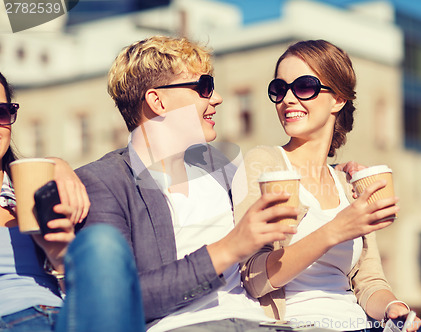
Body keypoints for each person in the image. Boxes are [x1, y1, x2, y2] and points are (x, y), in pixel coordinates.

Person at [75, 35, 300, 332]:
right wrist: (229, 248)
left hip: (264, 323)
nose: (216, 98)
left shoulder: (226, 167)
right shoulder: (105, 181)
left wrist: (340, 173)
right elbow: (121, 298)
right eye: (204, 87)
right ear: (158, 101)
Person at [231, 40, 421, 332]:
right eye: (279, 89)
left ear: (338, 99)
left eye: (304, 86)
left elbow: (368, 280)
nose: (288, 100)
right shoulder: (263, 164)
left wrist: (392, 308)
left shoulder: (347, 183)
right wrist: (333, 231)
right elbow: (253, 277)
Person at [0, 72, 144, 332]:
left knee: (103, 241)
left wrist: (58, 259)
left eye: (0, 112)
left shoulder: (33, 188)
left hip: (64, 318)